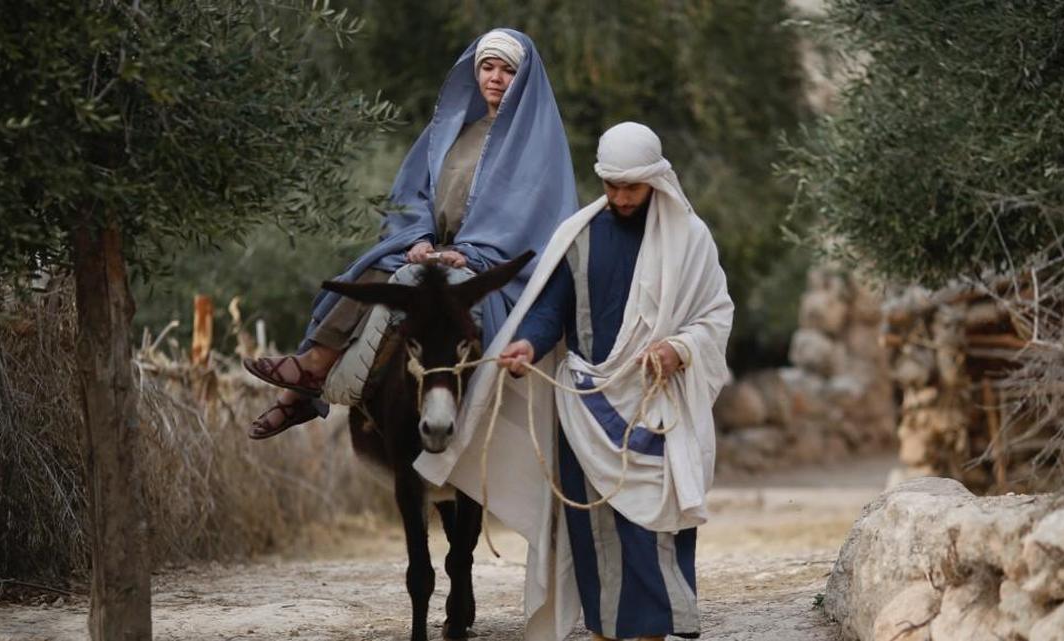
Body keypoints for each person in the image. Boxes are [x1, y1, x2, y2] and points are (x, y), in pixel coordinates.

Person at [413, 122, 733, 640]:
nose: (621, 198)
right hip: (584, 408)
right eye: (611, 186)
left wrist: (679, 348)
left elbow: (715, 314)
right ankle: (605, 631)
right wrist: (527, 345)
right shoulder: (578, 236)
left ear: (655, 179)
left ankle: (653, 633)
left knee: (650, 528)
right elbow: (551, 309)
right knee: (593, 534)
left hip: (654, 408)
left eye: (631, 187)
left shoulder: (690, 239)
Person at [242, 29, 578, 438]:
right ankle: (312, 371)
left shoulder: (539, 146)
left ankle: (301, 390)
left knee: (432, 303)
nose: (495, 78)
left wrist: (473, 254)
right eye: (488, 67)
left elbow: (533, 222)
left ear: (522, 78)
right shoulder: (453, 132)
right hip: (434, 250)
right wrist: (419, 238)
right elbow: (413, 195)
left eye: (507, 70)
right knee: (374, 270)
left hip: (493, 268)